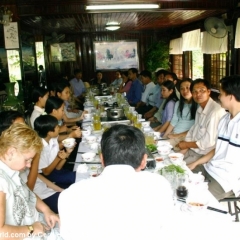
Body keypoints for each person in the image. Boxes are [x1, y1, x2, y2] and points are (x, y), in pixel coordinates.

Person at [58, 125, 173, 240]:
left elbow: (68, 235)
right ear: (144, 161)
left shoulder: (70, 195)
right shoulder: (159, 186)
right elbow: (168, 231)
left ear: (102, 160)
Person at [0, 123, 60, 238]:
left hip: (38, 224)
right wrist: (31, 229)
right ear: (11, 152)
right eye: (27, 160)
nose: (29, 165)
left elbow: (26, 192)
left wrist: (47, 210)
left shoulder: (11, 169)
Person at [187, 75, 240, 200]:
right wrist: (196, 163)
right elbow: (218, 149)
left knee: (195, 198)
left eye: (221, 94)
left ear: (231, 96)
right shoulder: (224, 119)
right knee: (181, 178)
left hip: (227, 179)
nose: (219, 97)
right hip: (210, 168)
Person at [176, 79, 226, 164]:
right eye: (194, 91)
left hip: (204, 155)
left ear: (208, 92)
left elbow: (208, 142)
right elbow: (193, 131)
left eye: (202, 91)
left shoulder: (215, 112)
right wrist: (181, 153)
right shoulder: (200, 108)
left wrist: (186, 145)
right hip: (193, 150)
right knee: (170, 161)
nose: (198, 94)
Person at [34, 115, 89, 189]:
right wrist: (59, 157)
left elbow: (58, 166)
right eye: (57, 127)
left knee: (81, 174)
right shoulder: (41, 148)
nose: (59, 128)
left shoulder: (51, 138)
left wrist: (67, 152)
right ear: (50, 132)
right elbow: (46, 172)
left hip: (57, 169)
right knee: (81, 178)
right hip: (48, 177)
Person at [162, 79, 198, 147]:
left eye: (188, 88)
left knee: (162, 146)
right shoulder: (178, 103)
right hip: (174, 133)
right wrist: (165, 136)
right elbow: (174, 121)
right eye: (182, 88)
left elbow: (195, 128)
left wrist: (177, 135)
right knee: (158, 143)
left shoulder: (198, 106)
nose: (185, 91)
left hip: (185, 136)